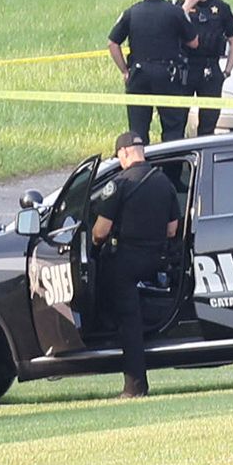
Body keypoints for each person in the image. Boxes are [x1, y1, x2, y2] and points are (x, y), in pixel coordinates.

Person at [90, 131, 180, 398]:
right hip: (154, 259)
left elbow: (100, 232)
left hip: (123, 263)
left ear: (124, 153)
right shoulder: (164, 182)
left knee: (128, 323)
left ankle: (135, 387)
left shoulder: (118, 184)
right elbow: (172, 230)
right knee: (133, 316)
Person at [107, 0, 198, 144]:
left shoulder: (132, 13)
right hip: (168, 76)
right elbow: (194, 42)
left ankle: (141, 167)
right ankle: (172, 169)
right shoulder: (175, 12)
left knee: (138, 130)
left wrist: (125, 70)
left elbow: (112, 43)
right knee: (173, 129)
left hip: (139, 75)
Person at [180, 0, 233, 137]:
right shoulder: (180, 6)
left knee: (208, 122)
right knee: (177, 121)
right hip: (186, 68)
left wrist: (227, 71)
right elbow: (172, 32)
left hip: (210, 68)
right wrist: (185, 7)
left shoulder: (221, 8)